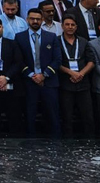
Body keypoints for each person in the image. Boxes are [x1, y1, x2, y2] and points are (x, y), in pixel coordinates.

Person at [16, 8, 61, 136]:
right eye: (32, 18)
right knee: (30, 114)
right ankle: (31, 143)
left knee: (53, 115)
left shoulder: (51, 37)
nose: (35, 21)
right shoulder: (19, 37)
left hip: (49, 82)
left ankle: (55, 144)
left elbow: (57, 59)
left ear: (42, 20)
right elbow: (19, 60)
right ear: (27, 20)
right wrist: (32, 75)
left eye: (38, 19)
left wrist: (44, 75)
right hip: (29, 82)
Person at [57, 15, 95, 137]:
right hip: (65, 84)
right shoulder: (56, 41)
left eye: (73, 25)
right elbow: (55, 62)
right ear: (62, 26)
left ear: (76, 27)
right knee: (67, 117)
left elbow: (91, 61)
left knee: (88, 116)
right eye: (67, 24)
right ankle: (68, 144)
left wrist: (81, 73)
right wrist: (71, 72)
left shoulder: (84, 41)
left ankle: (90, 143)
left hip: (83, 84)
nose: (70, 27)